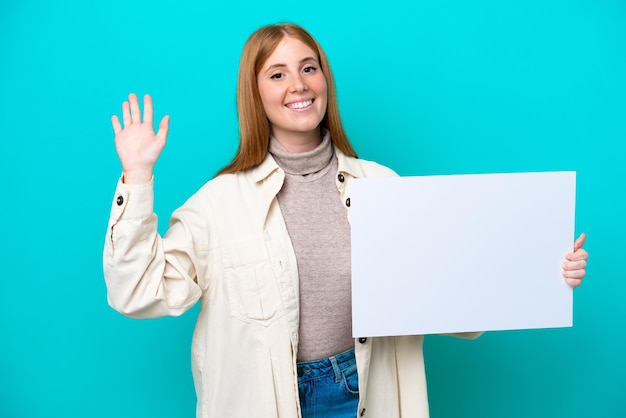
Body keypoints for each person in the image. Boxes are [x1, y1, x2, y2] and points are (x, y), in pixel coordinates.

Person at [104, 23, 588, 418]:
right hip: (267, 401)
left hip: (368, 394)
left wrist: (544, 272)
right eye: (276, 74)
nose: (298, 84)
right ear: (255, 95)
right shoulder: (218, 202)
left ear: (324, 80)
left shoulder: (382, 186)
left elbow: (452, 295)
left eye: (308, 68)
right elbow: (138, 291)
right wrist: (138, 176)